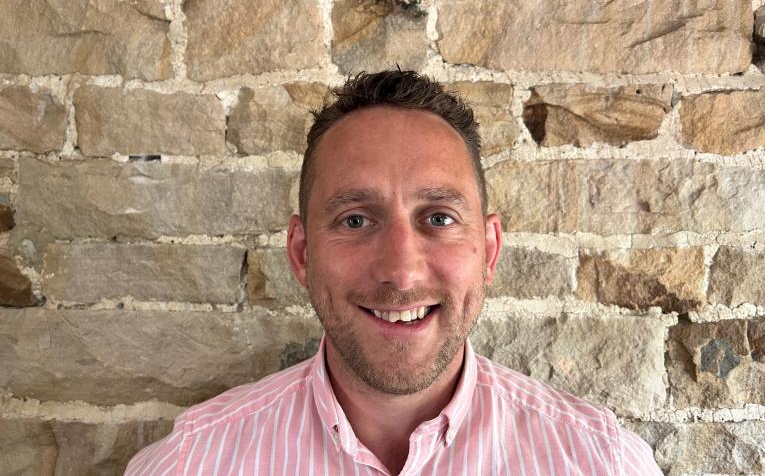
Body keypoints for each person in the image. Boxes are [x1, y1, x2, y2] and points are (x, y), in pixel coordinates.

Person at [125, 70, 662, 475]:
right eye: (355, 219)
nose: (400, 272)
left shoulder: (601, 462)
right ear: (302, 254)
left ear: (489, 250)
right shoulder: (190, 462)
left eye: (439, 218)